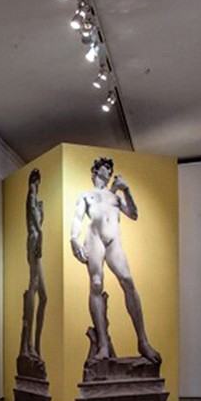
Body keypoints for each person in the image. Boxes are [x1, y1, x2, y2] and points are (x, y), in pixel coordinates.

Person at [71, 157, 161, 366]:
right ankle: (103, 344)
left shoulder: (115, 197)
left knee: (128, 281)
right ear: (96, 170)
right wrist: (73, 239)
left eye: (111, 169)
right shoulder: (86, 195)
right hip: (94, 239)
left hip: (113, 241)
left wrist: (126, 190)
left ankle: (143, 341)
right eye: (106, 167)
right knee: (96, 284)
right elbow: (77, 218)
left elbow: (134, 214)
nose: (109, 171)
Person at [18, 169, 47, 364]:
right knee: (34, 287)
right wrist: (40, 242)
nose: (35, 185)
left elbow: (38, 222)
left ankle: (35, 344)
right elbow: (37, 227)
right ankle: (29, 343)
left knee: (43, 296)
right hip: (34, 240)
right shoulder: (31, 197)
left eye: (36, 182)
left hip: (35, 240)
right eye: (35, 182)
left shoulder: (35, 199)